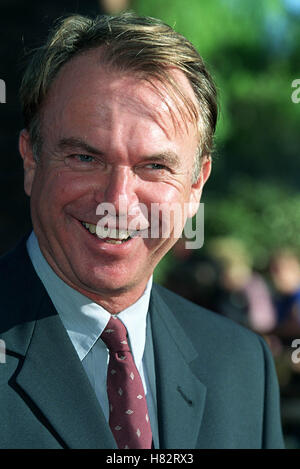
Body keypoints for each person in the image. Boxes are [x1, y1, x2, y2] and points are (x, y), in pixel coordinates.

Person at [0, 12, 284, 449]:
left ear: (194, 187)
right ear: (31, 161)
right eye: (84, 158)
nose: (118, 201)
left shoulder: (242, 367)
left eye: (154, 166)